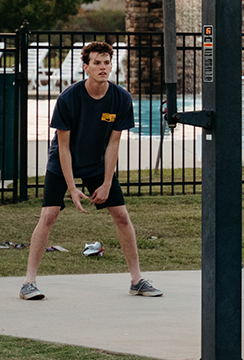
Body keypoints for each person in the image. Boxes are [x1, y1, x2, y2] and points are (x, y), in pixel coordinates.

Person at [20, 40, 161, 301]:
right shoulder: (69, 98)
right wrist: (72, 187)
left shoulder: (120, 98)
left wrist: (107, 182)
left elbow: (114, 143)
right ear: (85, 67)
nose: (103, 67)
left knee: (121, 216)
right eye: (97, 63)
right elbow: (63, 148)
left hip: (97, 163)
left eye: (107, 63)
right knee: (49, 215)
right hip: (63, 163)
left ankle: (137, 280)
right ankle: (29, 282)